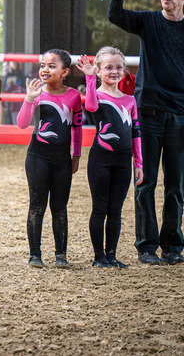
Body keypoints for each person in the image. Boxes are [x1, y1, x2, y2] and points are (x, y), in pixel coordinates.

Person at [109, 0, 184, 265]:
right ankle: (146, 247)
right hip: (147, 116)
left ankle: (172, 247)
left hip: (179, 119)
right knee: (145, 182)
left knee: (175, 186)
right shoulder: (148, 22)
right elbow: (116, 16)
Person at [75, 48, 143, 269]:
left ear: (124, 70)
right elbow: (90, 106)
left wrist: (138, 163)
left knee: (116, 209)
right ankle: (99, 257)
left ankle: (112, 255)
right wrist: (89, 78)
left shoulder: (130, 100)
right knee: (100, 207)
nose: (114, 71)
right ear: (99, 70)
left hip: (123, 163)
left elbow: (135, 133)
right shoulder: (97, 95)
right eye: (108, 67)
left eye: (118, 67)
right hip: (100, 160)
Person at [17, 49, 83, 269]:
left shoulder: (73, 96)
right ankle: (35, 254)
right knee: (37, 206)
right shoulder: (37, 93)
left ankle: (60, 255)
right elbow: (22, 124)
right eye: (42, 65)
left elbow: (76, 128)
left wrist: (76, 155)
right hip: (38, 157)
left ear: (65, 72)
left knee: (59, 208)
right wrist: (29, 99)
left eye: (52, 66)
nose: (45, 70)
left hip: (62, 159)